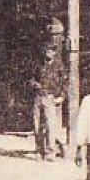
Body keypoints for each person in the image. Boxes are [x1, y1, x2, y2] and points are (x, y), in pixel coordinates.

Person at [33, 20, 68, 160]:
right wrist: (34, 85)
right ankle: (39, 149)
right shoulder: (39, 65)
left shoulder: (59, 66)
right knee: (37, 124)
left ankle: (50, 151)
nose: (49, 53)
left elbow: (65, 82)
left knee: (50, 125)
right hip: (38, 96)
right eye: (47, 51)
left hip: (51, 96)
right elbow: (31, 78)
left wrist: (62, 96)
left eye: (52, 51)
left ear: (55, 52)